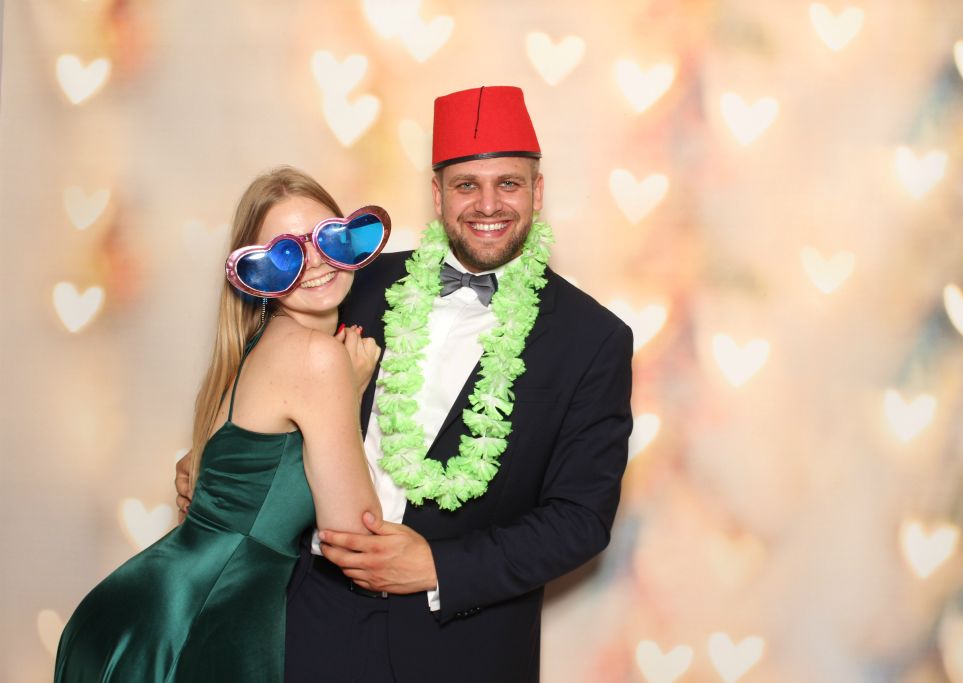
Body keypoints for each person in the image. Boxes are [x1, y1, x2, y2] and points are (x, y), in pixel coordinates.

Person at [178, 86, 633, 683]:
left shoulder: (592, 337)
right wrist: (217, 465)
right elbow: (270, 379)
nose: (488, 204)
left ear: (537, 191)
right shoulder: (349, 282)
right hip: (308, 620)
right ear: (438, 194)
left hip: (463, 647)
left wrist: (438, 566)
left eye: (509, 183)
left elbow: (580, 518)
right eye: (466, 185)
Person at [55, 166, 385, 682]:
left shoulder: (257, 345)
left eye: (328, 238)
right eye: (286, 254)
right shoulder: (316, 358)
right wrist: (349, 391)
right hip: (193, 620)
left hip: (165, 603)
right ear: (257, 274)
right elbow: (353, 534)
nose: (316, 262)